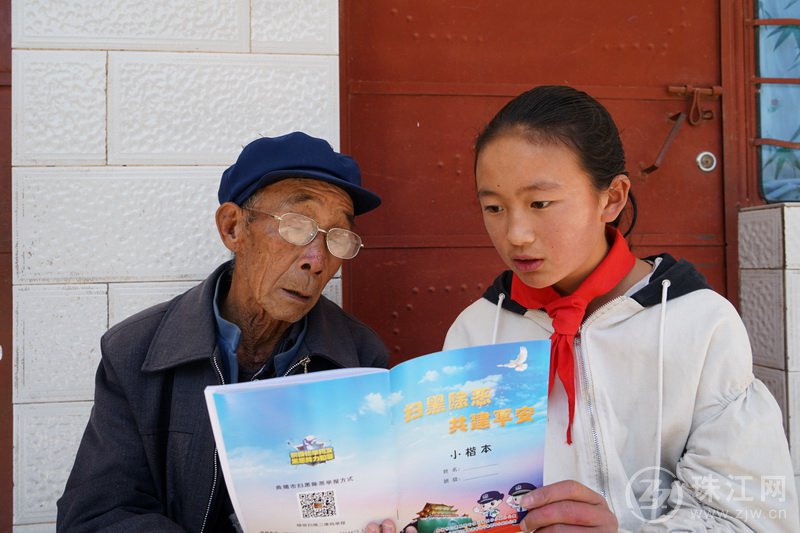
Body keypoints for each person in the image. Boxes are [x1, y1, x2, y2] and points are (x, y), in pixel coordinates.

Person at [368, 85, 799, 533]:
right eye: (493, 207)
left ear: (611, 198)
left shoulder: (700, 324)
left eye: (540, 203)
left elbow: (750, 517)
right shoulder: (476, 331)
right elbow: (463, 498)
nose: (515, 233)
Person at [57, 132, 389, 532]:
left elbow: (372, 498)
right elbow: (98, 515)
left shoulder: (359, 356)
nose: (317, 261)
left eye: (337, 237)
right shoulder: (134, 352)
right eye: (297, 226)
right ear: (233, 228)